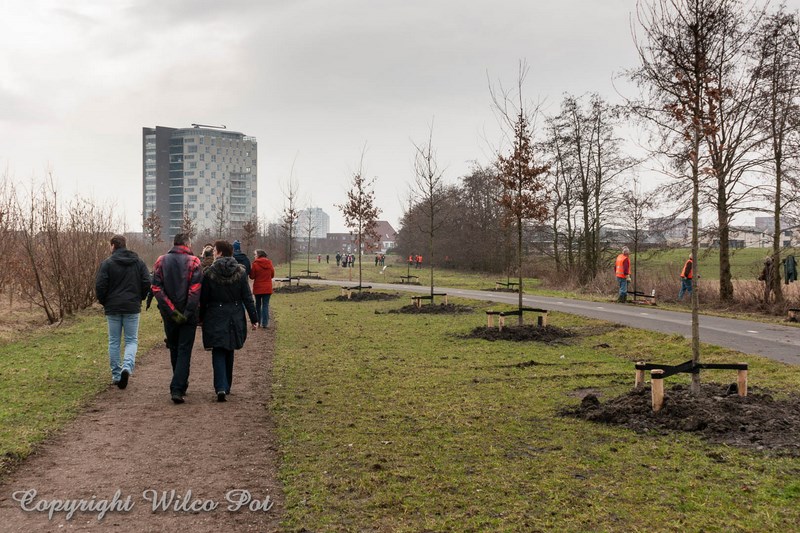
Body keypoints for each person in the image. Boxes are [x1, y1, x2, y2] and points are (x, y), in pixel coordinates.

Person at [200, 240, 258, 402]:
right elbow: (247, 297)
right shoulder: (240, 272)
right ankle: (227, 386)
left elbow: (204, 298)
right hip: (235, 314)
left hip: (214, 315)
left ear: (218, 253)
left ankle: (220, 386)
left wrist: (200, 317)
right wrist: (254, 318)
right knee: (230, 348)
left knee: (218, 349)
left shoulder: (209, 273)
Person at [151, 233, 203, 404]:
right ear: (187, 243)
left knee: (174, 347)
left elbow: (156, 288)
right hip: (188, 315)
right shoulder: (194, 261)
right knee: (184, 349)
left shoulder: (161, 261)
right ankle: (178, 387)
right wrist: (186, 313)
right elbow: (195, 291)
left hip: (169, 314)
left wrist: (172, 311)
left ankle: (179, 383)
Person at [95, 234, 151, 389]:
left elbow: (100, 285)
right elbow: (147, 281)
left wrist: (104, 301)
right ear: (125, 245)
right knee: (131, 340)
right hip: (132, 306)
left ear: (113, 245)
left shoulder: (107, 263)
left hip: (113, 307)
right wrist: (140, 297)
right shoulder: (138, 262)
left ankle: (116, 374)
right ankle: (127, 366)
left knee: (114, 341)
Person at [250, 249, 275, 328]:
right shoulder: (269, 263)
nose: (254, 256)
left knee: (257, 305)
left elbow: (252, 276)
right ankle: (265, 323)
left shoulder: (255, 264)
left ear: (258, 255)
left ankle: (258, 322)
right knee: (265, 305)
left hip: (258, 288)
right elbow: (272, 275)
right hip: (267, 288)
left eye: (255, 255)